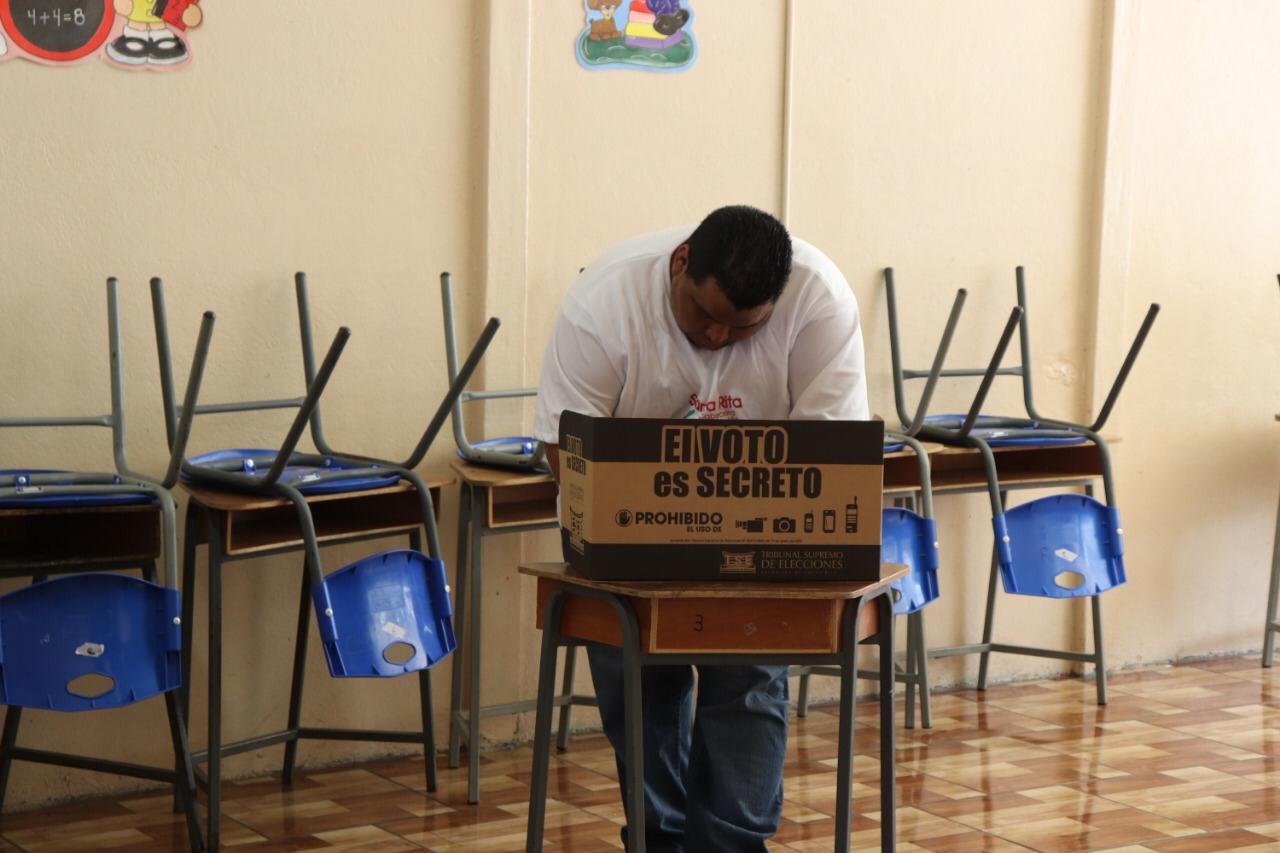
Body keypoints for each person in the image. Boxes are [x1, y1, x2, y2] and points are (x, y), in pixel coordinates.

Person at [533, 204, 868, 851]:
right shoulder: (604, 305)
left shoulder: (819, 299)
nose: (716, 339)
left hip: (762, 535)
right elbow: (563, 449)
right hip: (623, 529)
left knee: (747, 686)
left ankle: (731, 846)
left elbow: (833, 454)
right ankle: (659, 840)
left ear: (778, 302)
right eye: (703, 315)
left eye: (743, 327)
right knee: (640, 690)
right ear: (681, 262)